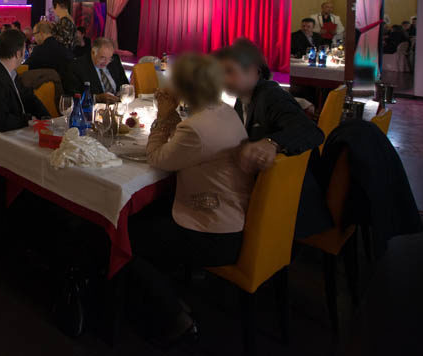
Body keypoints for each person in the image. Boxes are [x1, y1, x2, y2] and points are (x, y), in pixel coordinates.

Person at [124, 53, 253, 343]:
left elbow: (157, 157)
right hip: (236, 216)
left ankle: (174, 315)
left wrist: (164, 116)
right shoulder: (224, 111)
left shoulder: (195, 128)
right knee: (151, 215)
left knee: (129, 238)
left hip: (214, 233)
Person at [214, 38, 328, 236]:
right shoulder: (244, 99)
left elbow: (312, 132)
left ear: (254, 70)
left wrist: (272, 143)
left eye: (229, 72)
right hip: (268, 194)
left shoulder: (270, 95)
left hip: (290, 207)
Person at [0, 29, 50, 137]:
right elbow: (1, 122)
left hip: (13, 130)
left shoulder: (8, 70)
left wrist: (46, 118)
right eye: (24, 50)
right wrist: (29, 119)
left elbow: (28, 97)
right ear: (18, 54)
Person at [66, 37, 129, 102]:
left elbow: (125, 84)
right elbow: (73, 96)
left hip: (119, 106)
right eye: (102, 58)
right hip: (94, 109)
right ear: (93, 52)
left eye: (109, 58)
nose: (106, 62)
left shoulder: (115, 60)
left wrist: (122, 94)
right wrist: (97, 98)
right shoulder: (77, 66)